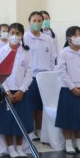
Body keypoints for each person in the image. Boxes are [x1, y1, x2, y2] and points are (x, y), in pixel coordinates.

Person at [0, 23, 33, 158]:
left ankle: (19, 147)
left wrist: (21, 90)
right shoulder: (2, 51)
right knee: (8, 121)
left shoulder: (26, 52)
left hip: (21, 92)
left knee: (21, 120)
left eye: (17, 33)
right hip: (6, 92)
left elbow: (29, 74)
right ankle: (10, 148)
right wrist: (7, 91)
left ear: (22, 35)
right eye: (11, 33)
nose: (14, 36)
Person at [55, 26, 80, 154]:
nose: (79, 38)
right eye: (76, 35)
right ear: (69, 38)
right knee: (68, 118)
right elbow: (62, 71)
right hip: (68, 89)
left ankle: (78, 142)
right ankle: (68, 143)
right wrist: (72, 87)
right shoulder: (64, 53)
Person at [24, 11, 54, 140]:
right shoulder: (25, 37)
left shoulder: (47, 38)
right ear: (29, 22)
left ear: (42, 22)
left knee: (41, 105)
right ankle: (30, 130)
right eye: (34, 21)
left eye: (39, 21)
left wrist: (52, 75)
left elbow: (52, 58)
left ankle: (39, 130)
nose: (37, 23)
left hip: (45, 76)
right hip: (31, 76)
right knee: (30, 105)